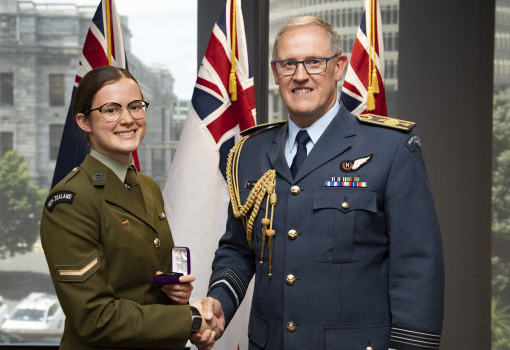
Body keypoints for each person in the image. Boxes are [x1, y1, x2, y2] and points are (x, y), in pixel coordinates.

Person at [199, 16, 444, 349]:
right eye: (288, 64)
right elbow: (239, 250)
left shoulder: (391, 149)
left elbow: (417, 266)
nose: (300, 76)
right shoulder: (251, 152)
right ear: (275, 72)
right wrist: (219, 304)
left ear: (339, 66)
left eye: (314, 62)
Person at [40, 66, 216, 350]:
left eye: (135, 106)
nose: (128, 119)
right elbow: (95, 317)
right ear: (84, 122)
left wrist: (175, 291)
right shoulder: (70, 201)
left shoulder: (147, 187)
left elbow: (141, 279)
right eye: (111, 110)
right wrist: (190, 318)